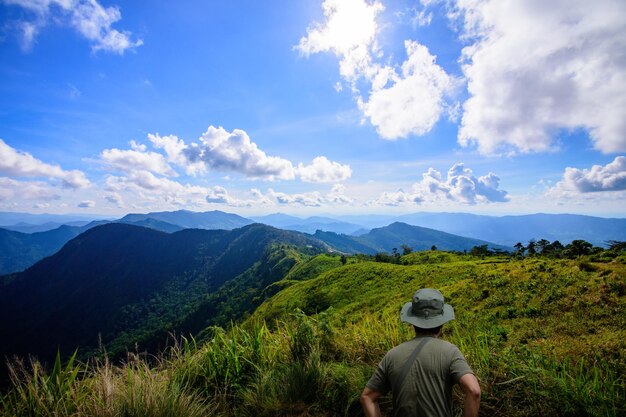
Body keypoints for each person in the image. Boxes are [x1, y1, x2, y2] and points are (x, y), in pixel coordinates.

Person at [361, 288, 481, 417]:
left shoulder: (392, 355)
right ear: (441, 323)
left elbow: (367, 397)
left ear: (413, 322)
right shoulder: (450, 352)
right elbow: (474, 391)